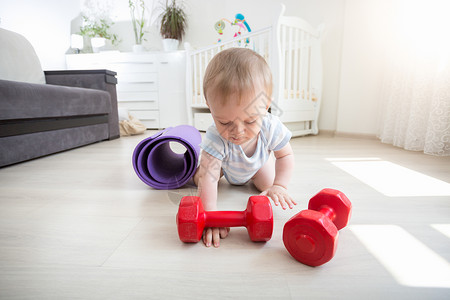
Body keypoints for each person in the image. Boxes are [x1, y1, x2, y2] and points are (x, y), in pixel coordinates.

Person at [193, 48, 296, 248]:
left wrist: (280, 186)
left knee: (268, 184)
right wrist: (211, 216)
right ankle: (194, 172)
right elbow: (209, 179)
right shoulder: (215, 136)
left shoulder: (271, 127)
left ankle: (269, 186)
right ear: (209, 106)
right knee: (203, 176)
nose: (237, 132)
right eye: (224, 122)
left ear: (265, 105)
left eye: (250, 121)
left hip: (256, 167)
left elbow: (285, 156)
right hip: (224, 166)